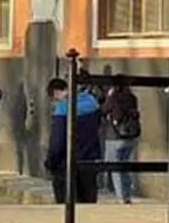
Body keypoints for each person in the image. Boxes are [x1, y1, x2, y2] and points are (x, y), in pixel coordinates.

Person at [45, 74, 103, 205]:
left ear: (56, 93)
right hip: (89, 160)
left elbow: (58, 142)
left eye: (54, 99)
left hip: (65, 163)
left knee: (67, 205)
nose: (55, 102)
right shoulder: (92, 102)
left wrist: (50, 162)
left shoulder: (62, 109)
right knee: (88, 203)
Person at [101, 74, 142, 204]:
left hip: (114, 136)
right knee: (125, 166)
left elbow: (104, 109)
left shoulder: (114, 97)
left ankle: (121, 196)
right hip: (130, 136)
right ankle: (127, 194)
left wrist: (109, 95)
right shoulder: (132, 98)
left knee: (115, 167)